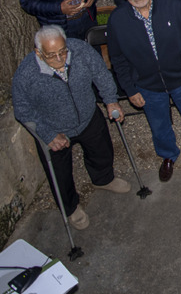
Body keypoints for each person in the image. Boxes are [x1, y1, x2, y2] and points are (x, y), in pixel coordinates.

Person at [12, 26, 130, 231]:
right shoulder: (26, 73)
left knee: (101, 149)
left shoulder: (80, 50)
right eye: (52, 55)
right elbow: (22, 110)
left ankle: (103, 179)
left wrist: (111, 100)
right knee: (59, 173)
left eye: (62, 51)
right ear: (38, 52)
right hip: (54, 128)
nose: (59, 59)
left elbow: (101, 74)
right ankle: (70, 207)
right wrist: (47, 134)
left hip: (87, 116)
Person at [108, 0, 181, 182]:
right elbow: (117, 59)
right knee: (158, 124)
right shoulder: (117, 21)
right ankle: (168, 155)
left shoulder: (173, 6)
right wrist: (131, 89)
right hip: (147, 85)